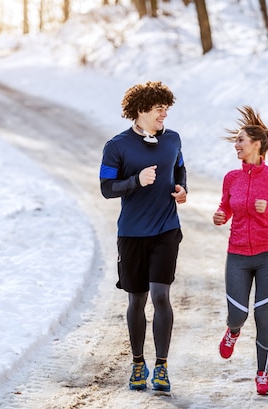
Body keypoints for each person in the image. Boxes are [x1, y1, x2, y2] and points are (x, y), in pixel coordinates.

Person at [99, 81, 187, 392]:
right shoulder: (117, 146)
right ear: (140, 110)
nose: (164, 112)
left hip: (166, 230)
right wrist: (136, 180)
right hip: (132, 234)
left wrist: (181, 188)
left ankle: (161, 367)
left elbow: (179, 168)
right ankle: (138, 363)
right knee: (137, 301)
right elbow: (107, 188)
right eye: (158, 107)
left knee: (161, 295)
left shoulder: (173, 139)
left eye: (166, 106)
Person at [212, 105, 268, 395]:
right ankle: (233, 331)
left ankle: (262, 374)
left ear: (256, 145)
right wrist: (220, 215)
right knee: (238, 315)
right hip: (237, 256)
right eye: (237, 140)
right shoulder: (232, 178)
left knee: (263, 317)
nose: (236, 145)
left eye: (240, 140)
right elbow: (226, 206)